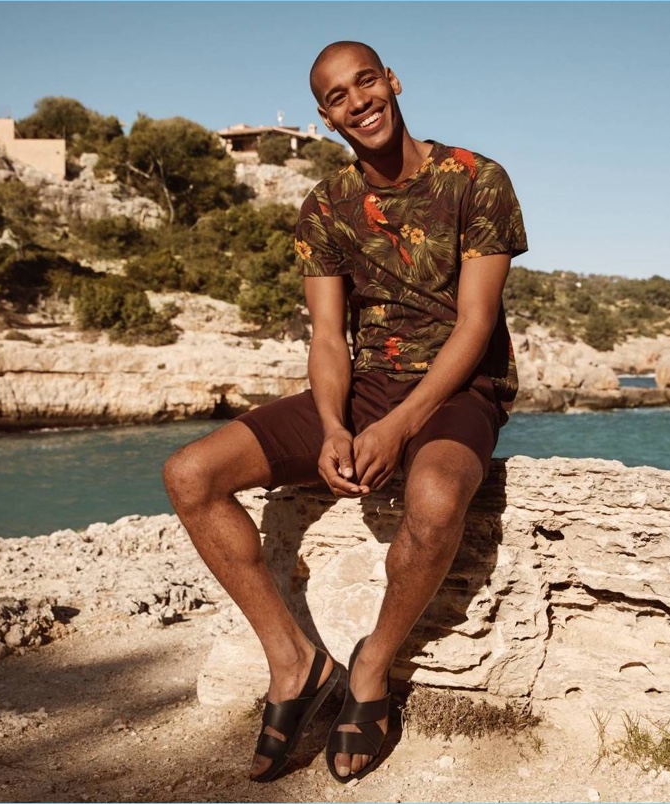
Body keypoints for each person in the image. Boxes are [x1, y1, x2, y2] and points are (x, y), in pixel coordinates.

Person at [163, 40, 527, 785]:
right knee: (190, 473)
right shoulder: (326, 205)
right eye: (336, 95)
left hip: (463, 389)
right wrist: (335, 425)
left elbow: (476, 324)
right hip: (366, 385)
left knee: (432, 500)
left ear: (392, 82)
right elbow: (328, 335)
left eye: (366, 81)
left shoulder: (477, 180)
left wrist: (397, 427)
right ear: (325, 117)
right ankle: (292, 662)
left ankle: (371, 667)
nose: (357, 100)